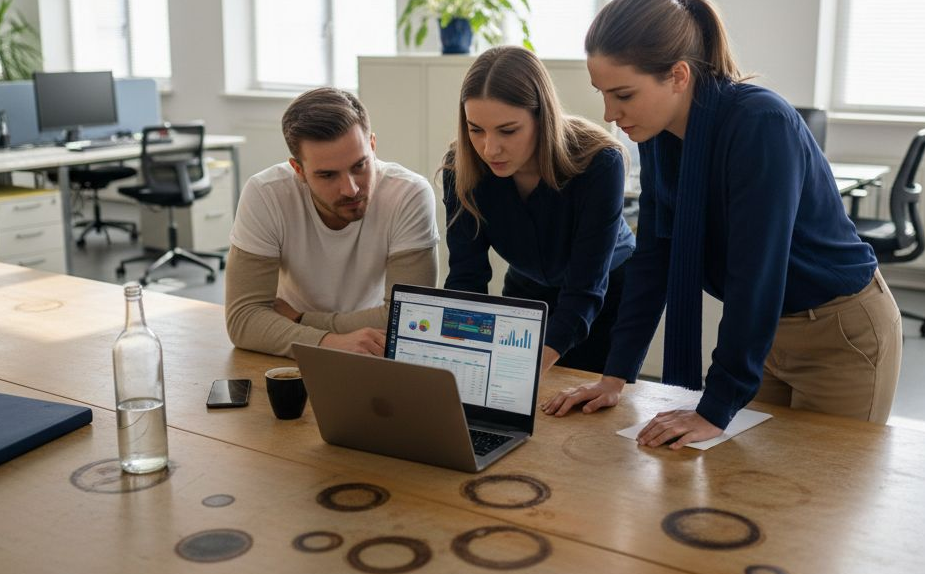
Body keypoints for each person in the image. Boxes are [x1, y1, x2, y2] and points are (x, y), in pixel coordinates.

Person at [543, 0, 903, 449]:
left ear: (677, 75)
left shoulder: (760, 123)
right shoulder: (658, 136)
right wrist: (615, 377)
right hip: (768, 337)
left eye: (623, 95)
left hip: (839, 335)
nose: (610, 115)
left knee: (823, 500)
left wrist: (715, 406)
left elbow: (757, 272)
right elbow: (654, 260)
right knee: (750, 492)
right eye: (603, 95)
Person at [442, 46, 635, 373]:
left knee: (588, 409)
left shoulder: (600, 163)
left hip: (608, 294)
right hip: (528, 291)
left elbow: (585, 288)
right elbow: (466, 277)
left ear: (542, 117)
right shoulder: (459, 169)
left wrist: (530, 366)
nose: (490, 148)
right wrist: (461, 358)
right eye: (476, 129)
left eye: (508, 130)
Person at [225, 87, 439, 357]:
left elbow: (412, 319)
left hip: (371, 350)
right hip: (287, 357)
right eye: (327, 175)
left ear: (372, 146)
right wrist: (330, 342)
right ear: (299, 170)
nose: (350, 189)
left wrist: (301, 319)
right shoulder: (266, 194)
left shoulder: (408, 194)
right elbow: (244, 320)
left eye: (360, 165)